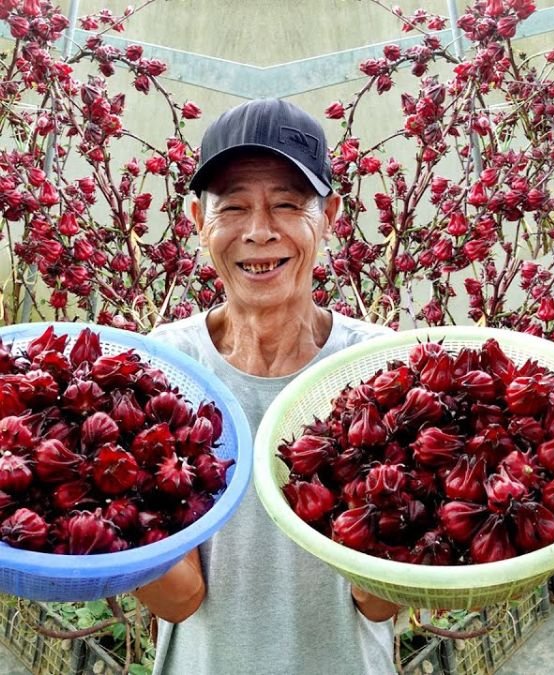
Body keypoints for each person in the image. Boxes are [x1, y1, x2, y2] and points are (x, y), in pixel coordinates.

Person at [134, 98, 402, 675]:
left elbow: (376, 602)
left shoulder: (376, 368)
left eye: (286, 203)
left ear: (328, 215)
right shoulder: (165, 367)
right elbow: (181, 601)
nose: (259, 231)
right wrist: (108, 524)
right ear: (198, 220)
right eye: (232, 207)